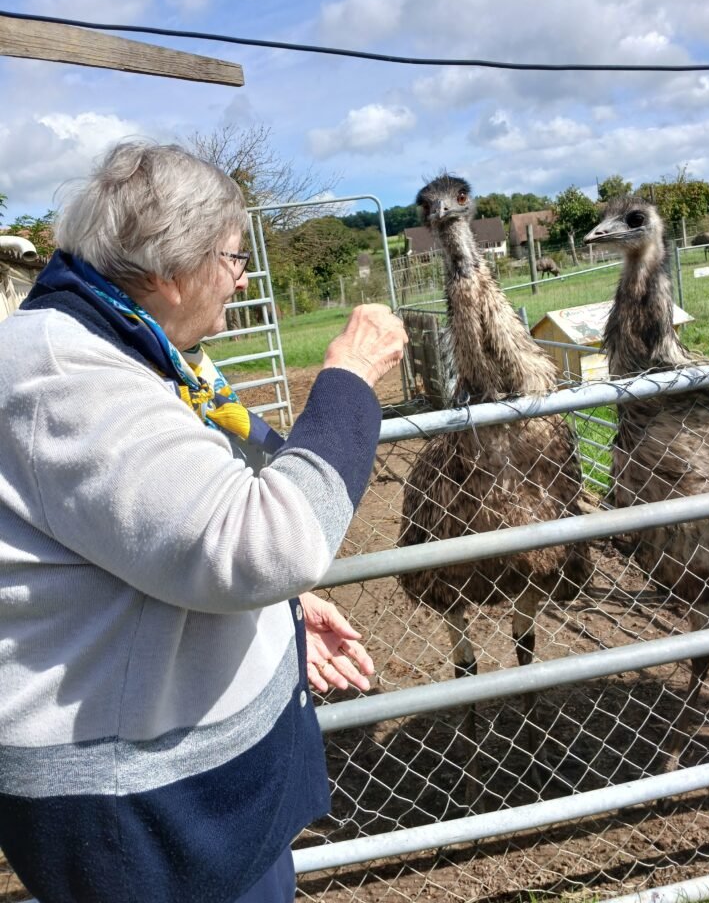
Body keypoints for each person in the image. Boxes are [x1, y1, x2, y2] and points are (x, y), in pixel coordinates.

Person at [0, 141, 408, 903]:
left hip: (185, 797)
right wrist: (349, 379)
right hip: (145, 825)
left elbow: (149, 533)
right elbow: (262, 543)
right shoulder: (67, 374)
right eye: (232, 256)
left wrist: (276, 614)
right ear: (166, 269)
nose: (243, 276)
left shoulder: (128, 349)